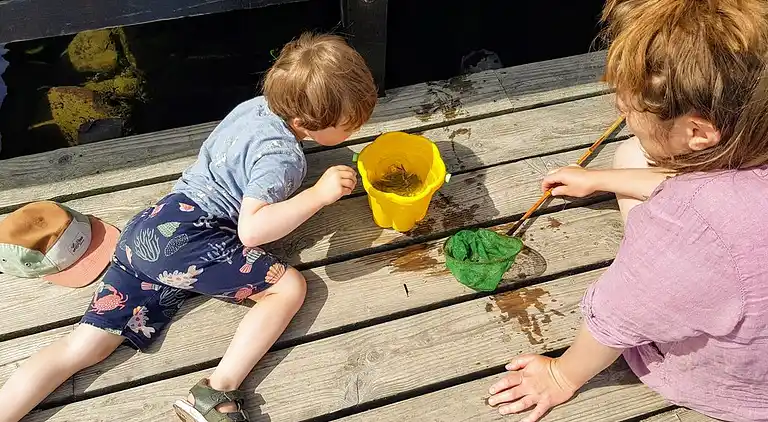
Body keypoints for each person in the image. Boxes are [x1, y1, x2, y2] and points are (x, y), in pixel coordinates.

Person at [0, 32, 378, 422]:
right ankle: (216, 392)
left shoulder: (255, 107)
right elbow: (252, 230)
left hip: (148, 231)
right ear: (302, 122)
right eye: (349, 125)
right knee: (288, 288)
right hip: (191, 237)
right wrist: (317, 195)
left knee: (82, 347)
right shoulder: (281, 158)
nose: (356, 129)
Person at [487, 1, 768, 421]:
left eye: (630, 106)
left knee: (650, 250)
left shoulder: (693, 225)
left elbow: (621, 315)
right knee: (632, 154)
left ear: (697, 131)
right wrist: (601, 180)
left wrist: (561, 376)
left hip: (734, 380)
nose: (620, 107)